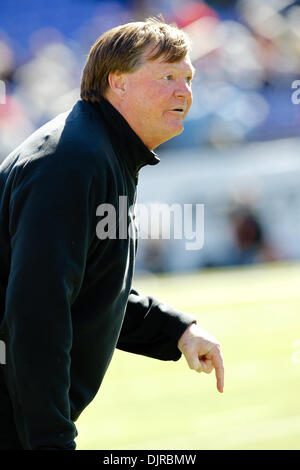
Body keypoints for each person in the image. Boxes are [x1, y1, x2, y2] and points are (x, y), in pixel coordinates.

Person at [0, 18, 224, 450]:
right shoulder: (73, 160)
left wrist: (176, 330)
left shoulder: (99, 150)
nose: (185, 92)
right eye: (167, 77)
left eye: (188, 78)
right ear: (117, 82)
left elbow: (88, 285)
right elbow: (36, 311)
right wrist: (49, 439)